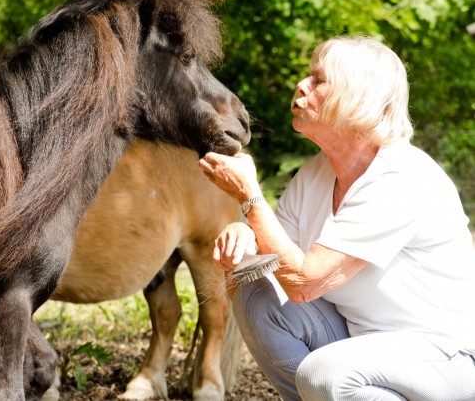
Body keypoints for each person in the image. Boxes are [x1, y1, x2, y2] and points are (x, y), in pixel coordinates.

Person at [199, 36, 475, 401]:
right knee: (252, 288)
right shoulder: (315, 173)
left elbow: (304, 282)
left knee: (326, 374)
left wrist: (250, 198)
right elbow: (276, 257)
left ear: (358, 97)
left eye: (318, 80)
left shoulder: (401, 177)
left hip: (446, 358)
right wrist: (242, 235)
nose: (301, 85)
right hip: (360, 343)